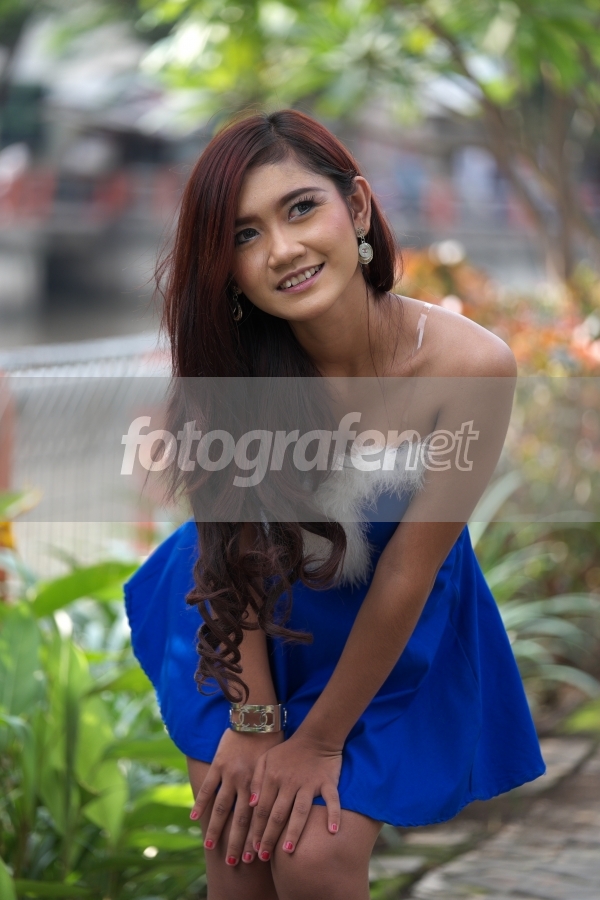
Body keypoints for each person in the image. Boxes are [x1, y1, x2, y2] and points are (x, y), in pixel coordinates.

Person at [124, 109, 545, 900]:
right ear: (226, 268)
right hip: (240, 611)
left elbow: (408, 575)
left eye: (300, 208)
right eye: (244, 236)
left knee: (313, 855)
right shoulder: (236, 366)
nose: (282, 250)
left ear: (355, 207)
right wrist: (255, 722)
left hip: (388, 626)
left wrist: (317, 743)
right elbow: (231, 545)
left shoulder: (470, 367)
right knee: (242, 850)